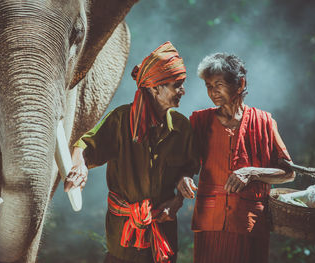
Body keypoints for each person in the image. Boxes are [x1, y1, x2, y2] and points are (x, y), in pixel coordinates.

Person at [64, 41, 199, 263]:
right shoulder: (120, 120)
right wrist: (79, 165)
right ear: (155, 88)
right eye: (177, 85)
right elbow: (85, 146)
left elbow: (188, 167)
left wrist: (178, 198)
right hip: (123, 238)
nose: (182, 91)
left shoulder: (182, 127)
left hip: (163, 232)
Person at [176, 53, 296, 263]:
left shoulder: (265, 122)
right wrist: (184, 177)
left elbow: (289, 172)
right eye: (208, 85)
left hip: (249, 223)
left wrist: (253, 172)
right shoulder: (200, 120)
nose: (213, 91)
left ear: (240, 84)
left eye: (219, 84)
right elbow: (185, 164)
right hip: (210, 221)